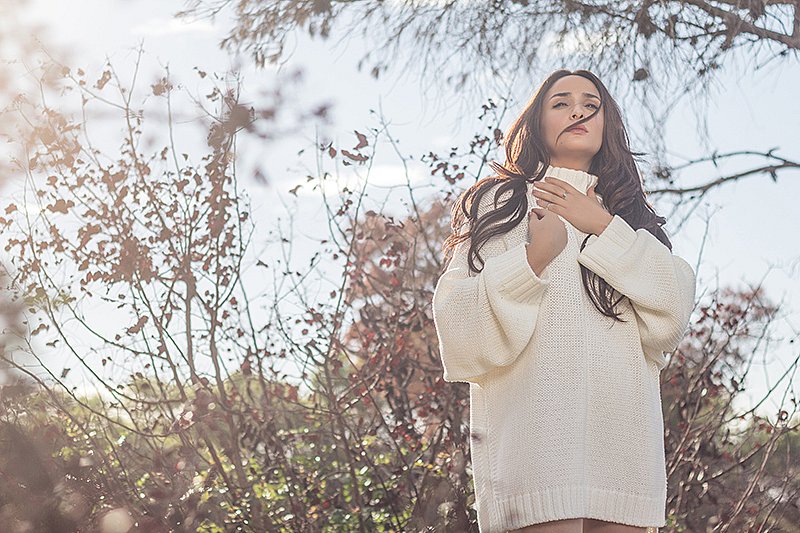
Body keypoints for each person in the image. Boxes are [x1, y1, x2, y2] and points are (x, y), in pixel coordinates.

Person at [430, 70, 697, 533]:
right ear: (536, 123)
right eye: (561, 102)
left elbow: (671, 314)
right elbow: (458, 329)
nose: (578, 111)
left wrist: (602, 226)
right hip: (536, 455)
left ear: (607, 123)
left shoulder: (628, 216)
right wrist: (533, 258)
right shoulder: (501, 202)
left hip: (626, 459)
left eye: (591, 104)